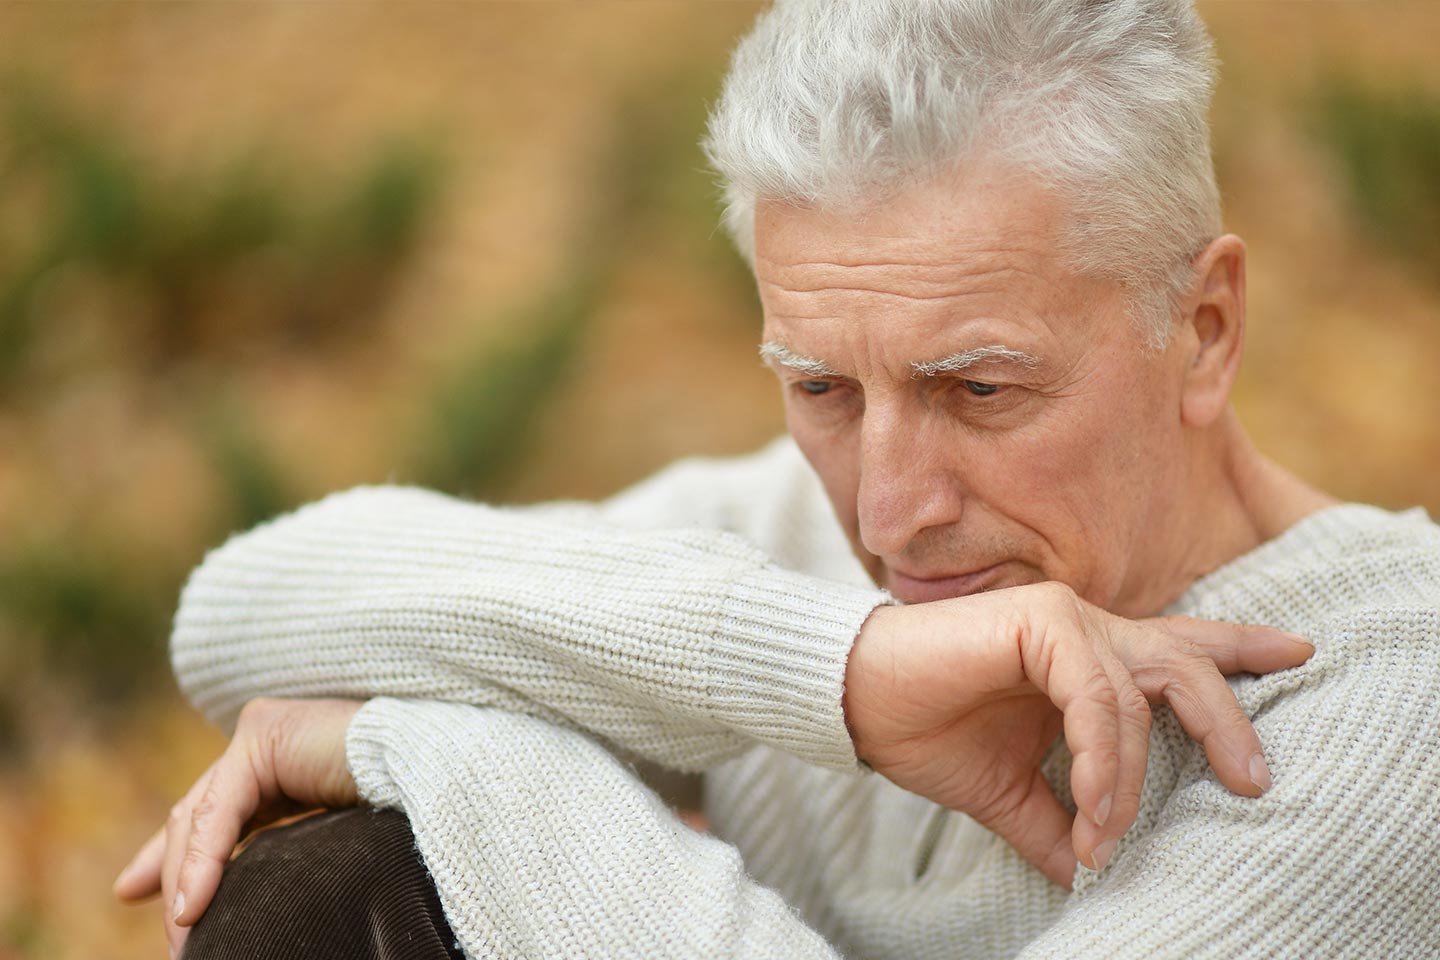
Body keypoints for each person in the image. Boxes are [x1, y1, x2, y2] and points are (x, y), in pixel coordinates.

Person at [114, 0, 1440, 958]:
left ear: (1201, 328)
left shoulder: (1391, 701)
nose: (885, 510)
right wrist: (847, 676)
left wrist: (446, 751)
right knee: (325, 884)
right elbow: (241, 613)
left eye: (978, 390)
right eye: (821, 389)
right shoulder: (792, 544)